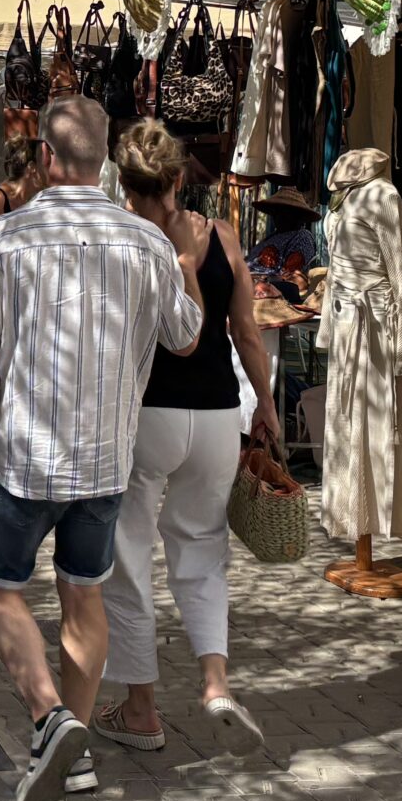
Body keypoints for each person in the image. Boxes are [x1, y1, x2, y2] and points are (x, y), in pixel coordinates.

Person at [0, 96, 202, 801]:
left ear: (46, 160)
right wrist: (184, 262)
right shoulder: (145, 243)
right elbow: (186, 337)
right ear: (104, 163)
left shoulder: (6, 239)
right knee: (82, 593)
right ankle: (76, 749)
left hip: (25, 456)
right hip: (104, 461)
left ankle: (49, 717)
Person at [95, 121, 278, 760]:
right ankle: (215, 683)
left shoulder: (120, 242)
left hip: (148, 417)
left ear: (123, 182)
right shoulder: (221, 236)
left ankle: (141, 709)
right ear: (179, 179)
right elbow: (248, 334)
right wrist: (270, 408)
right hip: (219, 415)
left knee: (128, 554)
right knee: (202, 552)